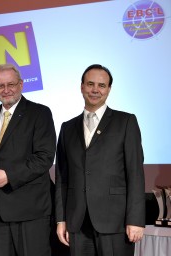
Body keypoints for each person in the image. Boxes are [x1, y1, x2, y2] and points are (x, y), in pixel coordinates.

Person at [55, 64, 145, 256]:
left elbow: (135, 173)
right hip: (77, 223)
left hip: (116, 222)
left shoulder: (126, 122)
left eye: (102, 85)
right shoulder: (67, 128)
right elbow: (62, 179)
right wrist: (61, 219)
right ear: (81, 87)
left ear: (109, 89)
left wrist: (136, 220)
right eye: (90, 84)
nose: (95, 90)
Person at [0, 63, 57, 256]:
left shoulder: (40, 113)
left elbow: (44, 157)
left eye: (11, 84)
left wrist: (9, 176)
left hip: (30, 209)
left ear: (21, 85)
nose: (6, 90)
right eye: (0, 86)